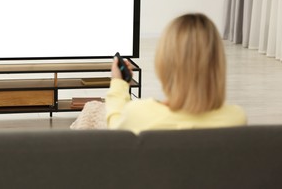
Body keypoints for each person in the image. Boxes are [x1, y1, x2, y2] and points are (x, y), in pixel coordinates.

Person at [106, 13, 247, 133]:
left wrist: (118, 84)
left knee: (94, 108)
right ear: (218, 64)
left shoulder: (139, 114)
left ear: (163, 63)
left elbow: (115, 128)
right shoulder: (236, 118)